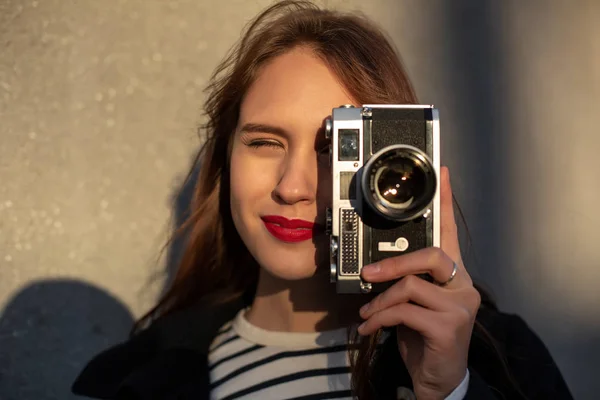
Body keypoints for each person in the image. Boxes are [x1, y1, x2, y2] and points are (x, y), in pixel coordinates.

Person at [71, 1, 573, 399]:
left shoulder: (501, 360)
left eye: (335, 150)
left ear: (394, 163)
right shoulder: (140, 377)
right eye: (264, 142)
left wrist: (448, 393)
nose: (292, 187)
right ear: (225, 158)